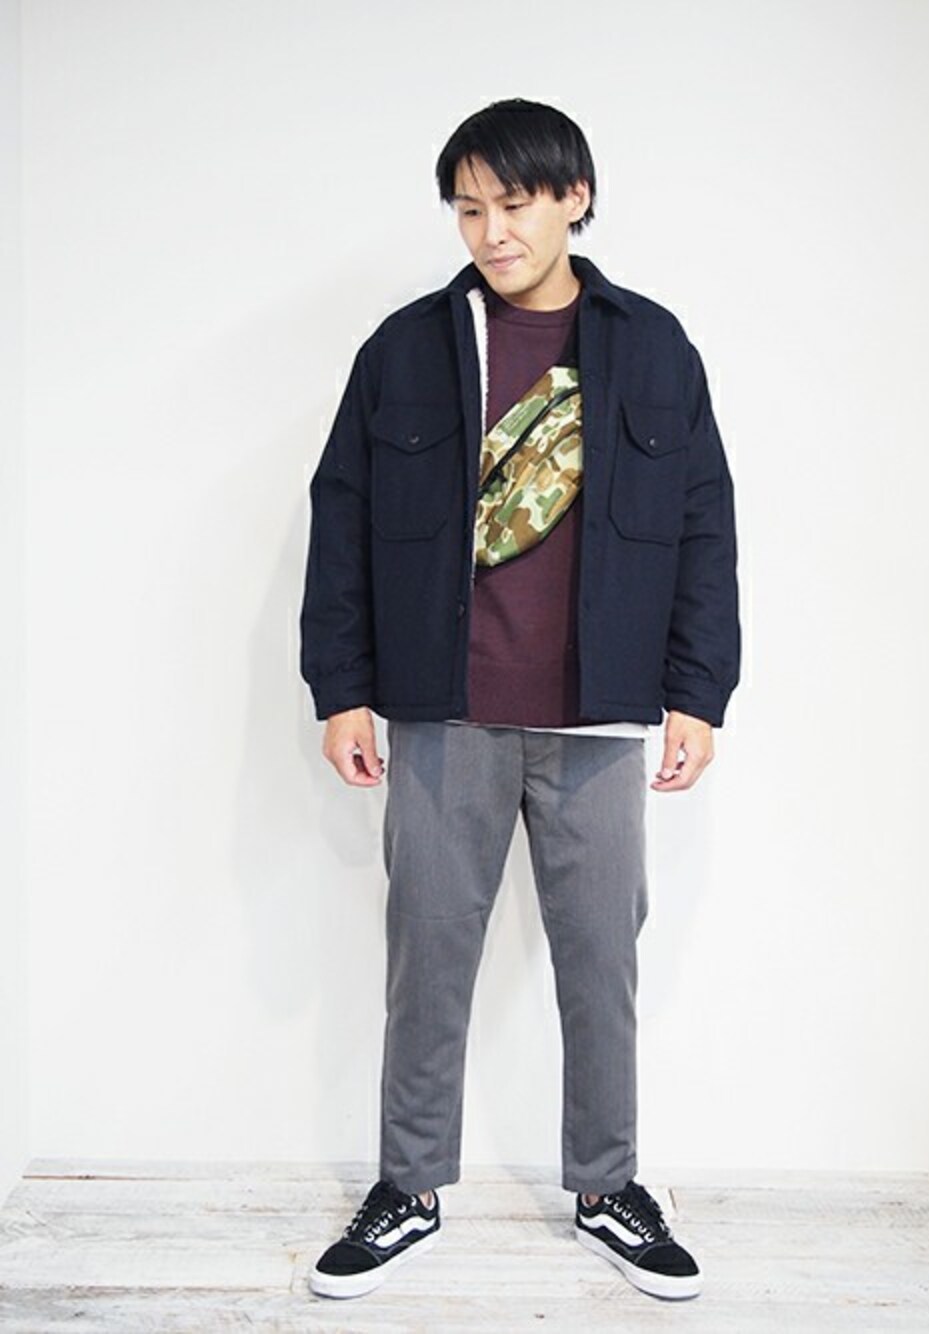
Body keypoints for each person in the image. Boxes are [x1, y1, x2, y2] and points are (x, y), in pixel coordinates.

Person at [299, 97, 740, 1302]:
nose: (490, 230)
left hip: (597, 717)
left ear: (573, 198)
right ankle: (407, 1185)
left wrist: (698, 692)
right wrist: (342, 689)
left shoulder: (652, 346)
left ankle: (607, 1184)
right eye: (468, 208)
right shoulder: (405, 348)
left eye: (513, 203)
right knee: (426, 955)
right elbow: (341, 518)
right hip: (443, 710)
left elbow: (704, 524)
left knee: (601, 962)